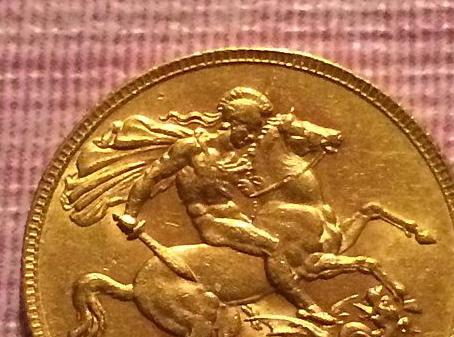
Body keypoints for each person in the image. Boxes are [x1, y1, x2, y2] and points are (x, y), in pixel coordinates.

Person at [116, 87, 334, 324]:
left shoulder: (240, 155)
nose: (252, 137)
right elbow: (151, 176)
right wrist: (130, 214)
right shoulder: (192, 148)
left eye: (256, 130)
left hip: (238, 218)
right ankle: (307, 306)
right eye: (249, 129)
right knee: (272, 246)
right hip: (212, 222)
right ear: (232, 123)